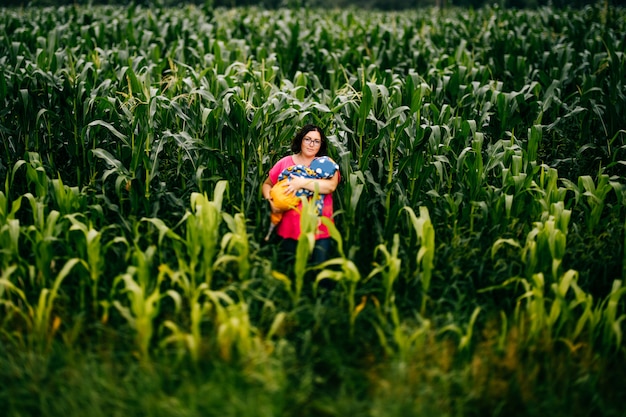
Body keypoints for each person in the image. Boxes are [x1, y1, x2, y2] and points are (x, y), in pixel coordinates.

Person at [261, 124, 340, 265]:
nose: (311, 144)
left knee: (320, 272)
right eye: (307, 139)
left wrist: (301, 183)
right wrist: (270, 201)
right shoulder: (285, 163)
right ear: (300, 140)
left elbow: (330, 186)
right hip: (291, 228)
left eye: (316, 141)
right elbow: (267, 185)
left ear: (321, 144)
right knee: (290, 272)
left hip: (320, 228)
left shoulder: (327, 164)